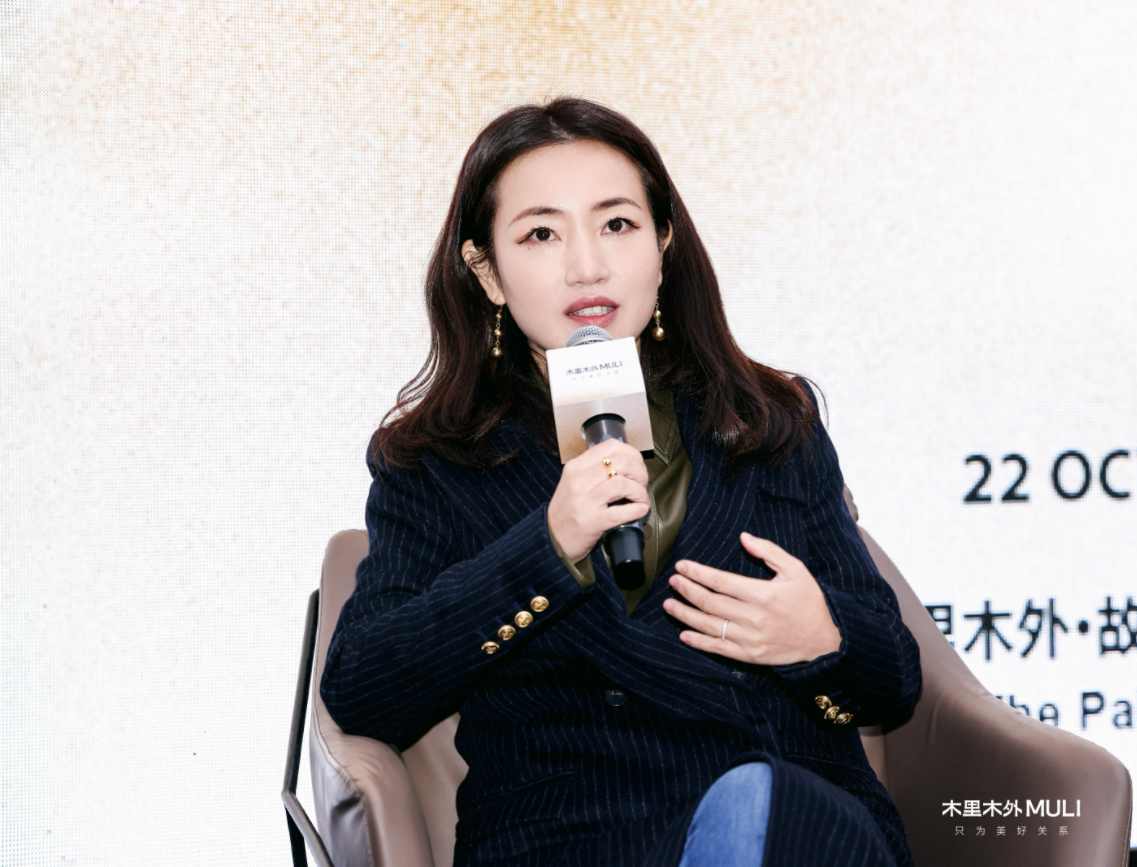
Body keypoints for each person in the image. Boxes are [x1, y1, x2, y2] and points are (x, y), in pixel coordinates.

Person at [320, 96, 923, 867]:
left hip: (788, 828)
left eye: (617, 224)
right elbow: (364, 689)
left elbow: (894, 680)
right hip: (572, 839)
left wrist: (821, 638)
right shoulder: (435, 461)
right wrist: (547, 546)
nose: (587, 265)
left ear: (662, 245)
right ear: (488, 272)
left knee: (758, 807)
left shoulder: (769, 422)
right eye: (541, 234)